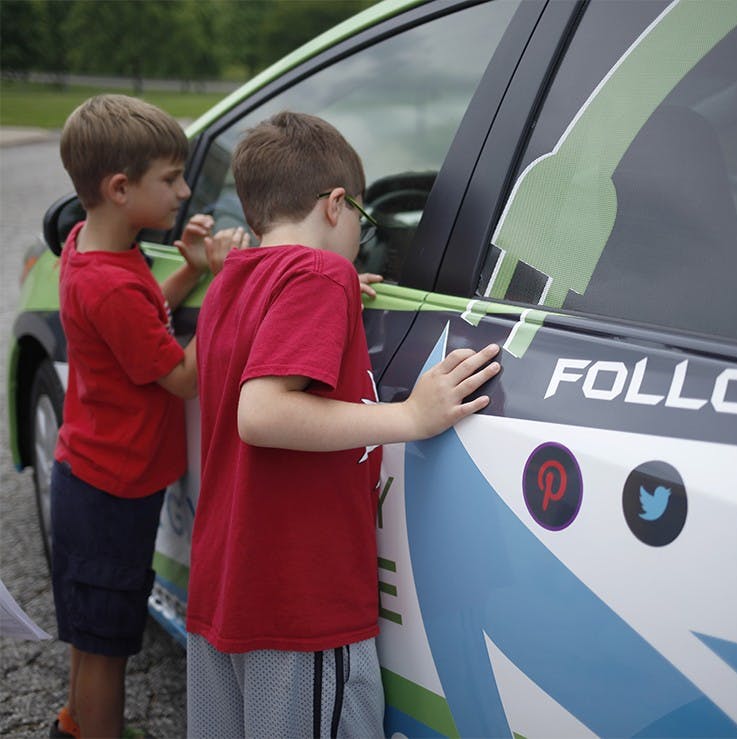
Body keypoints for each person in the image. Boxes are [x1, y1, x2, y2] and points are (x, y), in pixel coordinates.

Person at [186, 111, 501, 738]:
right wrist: (411, 416)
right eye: (365, 218)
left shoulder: (232, 282)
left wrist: (331, 291)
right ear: (337, 204)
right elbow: (264, 413)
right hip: (300, 604)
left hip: (226, 589)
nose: (362, 231)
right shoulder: (319, 274)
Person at [48, 94, 241, 739]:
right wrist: (226, 292)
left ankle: (76, 723)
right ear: (120, 188)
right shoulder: (112, 283)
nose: (186, 191)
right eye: (172, 178)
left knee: (89, 628)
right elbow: (182, 378)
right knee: (108, 645)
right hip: (112, 492)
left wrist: (186, 277)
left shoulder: (92, 246)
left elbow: (139, 324)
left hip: (90, 476)